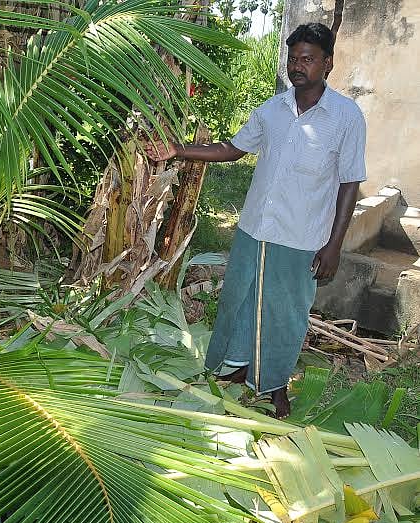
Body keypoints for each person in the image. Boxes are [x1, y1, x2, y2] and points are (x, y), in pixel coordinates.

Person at [145, 23, 366, 418]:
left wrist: (334, 245)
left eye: (308, 59)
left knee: (287, 313)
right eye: (293, 58)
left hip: (301, 235)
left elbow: (350, 184)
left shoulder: (347, 117)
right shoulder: (272, 110)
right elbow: (232, 149)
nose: (298, 66)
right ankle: (236, 367)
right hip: (254, 228)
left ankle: (275, 384)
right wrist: (178, 150)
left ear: (327, 64)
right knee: (240, 301)